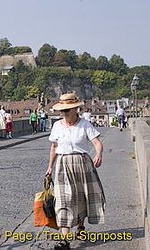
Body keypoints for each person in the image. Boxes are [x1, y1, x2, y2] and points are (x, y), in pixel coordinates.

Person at [46, 93, 105, 250]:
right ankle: (65, 240)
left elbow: (97, 142)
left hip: (82, 163)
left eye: (66, 111)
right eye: (62, 111)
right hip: (63, 164)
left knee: (81, 197)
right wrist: (50, 166)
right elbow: (54, 147)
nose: (63, 114)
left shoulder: (85, 124)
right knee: (64, 200)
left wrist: (98, 154)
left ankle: (80, 227)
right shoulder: (57, 125)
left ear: (74, 109)